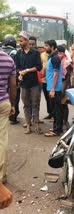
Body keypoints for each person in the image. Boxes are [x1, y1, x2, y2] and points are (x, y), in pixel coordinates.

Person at [16, 31, 42, 134]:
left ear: (26, 41)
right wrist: (20, 73)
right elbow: (17, 68)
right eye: (19, 40)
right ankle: (28, 125)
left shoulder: (35, 53)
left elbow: (39, 67)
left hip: (34, 83)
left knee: (35, 104)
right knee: (26, 105)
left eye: (21, 40)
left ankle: (36, 124)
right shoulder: (18, 53)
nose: (20, 42)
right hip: (23, 84)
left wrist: (26, 70)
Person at [0, 50, 17, 184]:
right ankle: (1, 176)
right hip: (3, 102)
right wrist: (12, 104)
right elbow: (13, 86)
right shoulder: (8, 59)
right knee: (2, 140)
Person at [44, 40, 63, 137]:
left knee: (57, 109)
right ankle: (56, 126)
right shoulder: (51, 57)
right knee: (54, 109)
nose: (45, 47)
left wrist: (52, 89)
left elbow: (56, 74)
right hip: (51, 87)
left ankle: (57, 130)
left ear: (52, 47)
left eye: (46, 46)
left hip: (55, 88)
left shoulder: (55, 58)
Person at [2, 35, 19, 125]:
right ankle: (13, 117)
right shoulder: (14, 53)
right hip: (10, 80)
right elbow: (13, 86)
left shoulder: (2, 50)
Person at [57, 45, 71, 130]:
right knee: (59, 105)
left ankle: (65, 121)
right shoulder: (58, 61)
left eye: (58, 52)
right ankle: (61, 121)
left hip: (64, 86)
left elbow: (67, 76)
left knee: (64, 104)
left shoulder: (66, 62)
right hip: (59, 84)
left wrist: (63, 88)